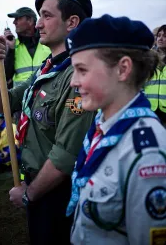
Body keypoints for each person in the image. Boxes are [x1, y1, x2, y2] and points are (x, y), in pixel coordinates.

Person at [0, 0, 95, 245]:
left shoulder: (77, 74)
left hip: (59, 192)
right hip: (40, 187)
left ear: (72, 22)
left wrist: (29, 194)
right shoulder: (47, 68)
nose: (37, 24)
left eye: (46, 15)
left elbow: (65, 154)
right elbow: (2, 105)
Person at [65, 15, 166, 245]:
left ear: (122, 69)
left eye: (82, 70)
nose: (73, 81)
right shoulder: (103, 127)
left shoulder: (147, 154)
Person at [4, 7, 50, 87]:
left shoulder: (48, 41)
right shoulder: (13, 44)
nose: (14, 22)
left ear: (30, 21)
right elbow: (6, 76)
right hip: (21, 97)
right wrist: (11, 50)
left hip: (46, 95)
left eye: (18, 19)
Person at [145, 24, 166, 126]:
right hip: (149, 111)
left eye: (165, 36)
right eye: (159, 35)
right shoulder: (148, 60)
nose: (160, 38)